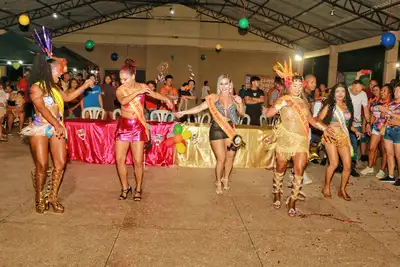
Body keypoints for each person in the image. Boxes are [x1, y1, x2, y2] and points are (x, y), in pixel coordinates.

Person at [21, 51, 93, 214]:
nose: (61, 75)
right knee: (42, 165)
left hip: (56, 128)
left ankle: (52, 197)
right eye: (59, 72)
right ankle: (39, 197)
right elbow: (41, 108)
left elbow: (67, 98)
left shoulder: (55, 88)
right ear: (51, 71)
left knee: (60, 164)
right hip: (40, 128)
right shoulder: (36, 87)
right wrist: (56, 124)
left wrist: (84, 86)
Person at [263, 73, 333, 217]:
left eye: (300, 86)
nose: (297, 88)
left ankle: (292, 201)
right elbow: (269, 113)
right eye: (294, 85)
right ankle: (277, 192)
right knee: (281, 167)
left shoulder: (304, 102)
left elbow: (311, 121)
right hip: (285, 138)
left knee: (299, 169)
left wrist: (325, 128)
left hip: (300, 140)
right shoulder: (283, 99)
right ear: (289, 86)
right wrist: (282, 104)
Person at [175, 74, 245, 194]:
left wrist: (240, 103)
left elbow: (241, 114)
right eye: (221, 83)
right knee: (221, 159)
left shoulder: (235, 98)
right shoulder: (213, 97)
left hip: (230, 130)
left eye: (226, 83)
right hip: (216, 129)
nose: (224, 86)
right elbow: (199, 108)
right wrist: (184, 112)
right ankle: (218, 181)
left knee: (230, 158)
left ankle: (226, 179)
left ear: (230, 85)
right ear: (219, 85)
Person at [115, 62, 173, 201]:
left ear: (133, 76)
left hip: (137, 126)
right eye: (121, 79)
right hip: (124, 126)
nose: (122, 82)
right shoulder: (120, 90)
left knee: (138, 161)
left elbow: (153, 94)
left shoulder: (143, 87)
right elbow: (124, 102)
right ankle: (125, 187)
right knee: (119, 160)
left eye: (125, 79)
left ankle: (138, 188)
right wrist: (137, 92)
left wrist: (166, 99)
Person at [319, 84, 361, 201]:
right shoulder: (330, 106)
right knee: (334, 164)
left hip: (343, 136)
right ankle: (326, 187)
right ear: (334, 93)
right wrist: (325, 128)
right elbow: (318, 120)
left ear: (345, 93)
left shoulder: (348, 106)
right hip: (331, 136)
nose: (340, 93)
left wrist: (355, 130)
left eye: (342, 91)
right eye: (338, 91)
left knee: (348, 165)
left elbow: (347, 125)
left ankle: (342, 189)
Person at [360, 84, 392, 177]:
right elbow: (373, 115)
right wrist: (369, 124)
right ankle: (370, 167)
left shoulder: (392, 104)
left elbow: (390, 116)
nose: (382, 92)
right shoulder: (377, 102)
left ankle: (382, 170)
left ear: (389, 93)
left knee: (384, 150)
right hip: (376, 127)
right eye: (381, 90)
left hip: (386, 128)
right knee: (372, 148)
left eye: (384, 91)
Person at [379, 83, 400, 185]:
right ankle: (391, 175)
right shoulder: (391, 104)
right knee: (389, 154)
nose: (396, 93)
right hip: (388, 130)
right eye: (395, 90)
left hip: (398, 131)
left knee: (398, 156)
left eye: (398, 91)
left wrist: (389, 112)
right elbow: (384, 116)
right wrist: (383, 113)